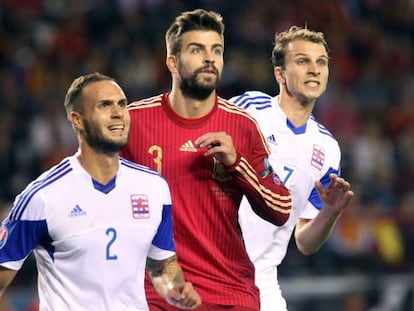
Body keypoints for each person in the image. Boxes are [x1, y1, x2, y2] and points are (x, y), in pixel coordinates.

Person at [120, 9, 292, 311]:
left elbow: (281, 209)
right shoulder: (133, 122)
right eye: (196, 50)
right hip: (158, 295)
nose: (209, 58)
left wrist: (237, 164)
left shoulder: (242, 125)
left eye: (216, 50)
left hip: (230, 292)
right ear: (172, 62)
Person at [0, 72, 201, 311]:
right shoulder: (42, 196)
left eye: (122, 104)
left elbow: (162, 265)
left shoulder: (154, 188)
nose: (118, 113)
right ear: (77, 120)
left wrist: (174, 288)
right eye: (105, 105)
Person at [230, 26, 355, 310]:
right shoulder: (249, 109)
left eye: (321, 62)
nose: (314, 69)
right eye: (302, 61)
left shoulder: (327, 148)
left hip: (262, 282)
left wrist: (331, 211)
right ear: (280, 74)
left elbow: (305, 242)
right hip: (210, 270)